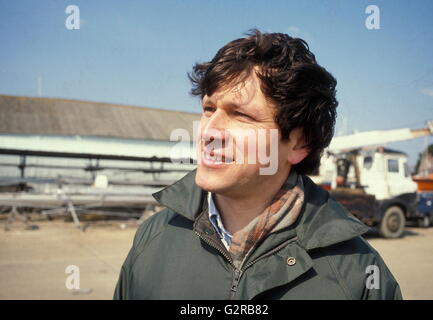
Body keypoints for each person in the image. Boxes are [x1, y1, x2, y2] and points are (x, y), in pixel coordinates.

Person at [114, 29, 402, 300]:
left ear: (299, 144)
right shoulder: (153, 238)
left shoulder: (358, 273)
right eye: (209, 109)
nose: (208, 131)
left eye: (240, 115)